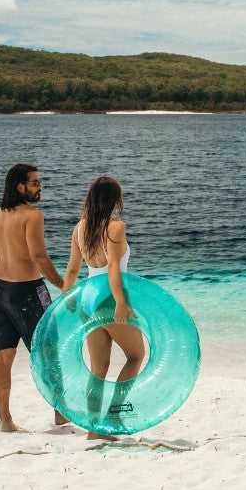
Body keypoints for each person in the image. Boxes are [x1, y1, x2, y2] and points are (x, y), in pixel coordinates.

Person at [62, 175, 145, 436]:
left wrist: (68, 296)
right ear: (115, 200)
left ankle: (93, 428)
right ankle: (114, 418)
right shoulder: (115, 228)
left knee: (98, 368)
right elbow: (113, 268)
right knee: (136, 356)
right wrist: (121, 302)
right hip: (109, 297)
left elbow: (74, 267)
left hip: (88, 298)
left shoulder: (79, 228)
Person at [0, 162, 66, 432]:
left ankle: (5, 421)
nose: (40, 187)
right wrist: (62, 284)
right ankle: (61, 414)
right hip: (28, 291)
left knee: (3, 356)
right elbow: (39, 256)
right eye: (35, 182)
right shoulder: (33, 216)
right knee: (49, 351)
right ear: (19, 186)